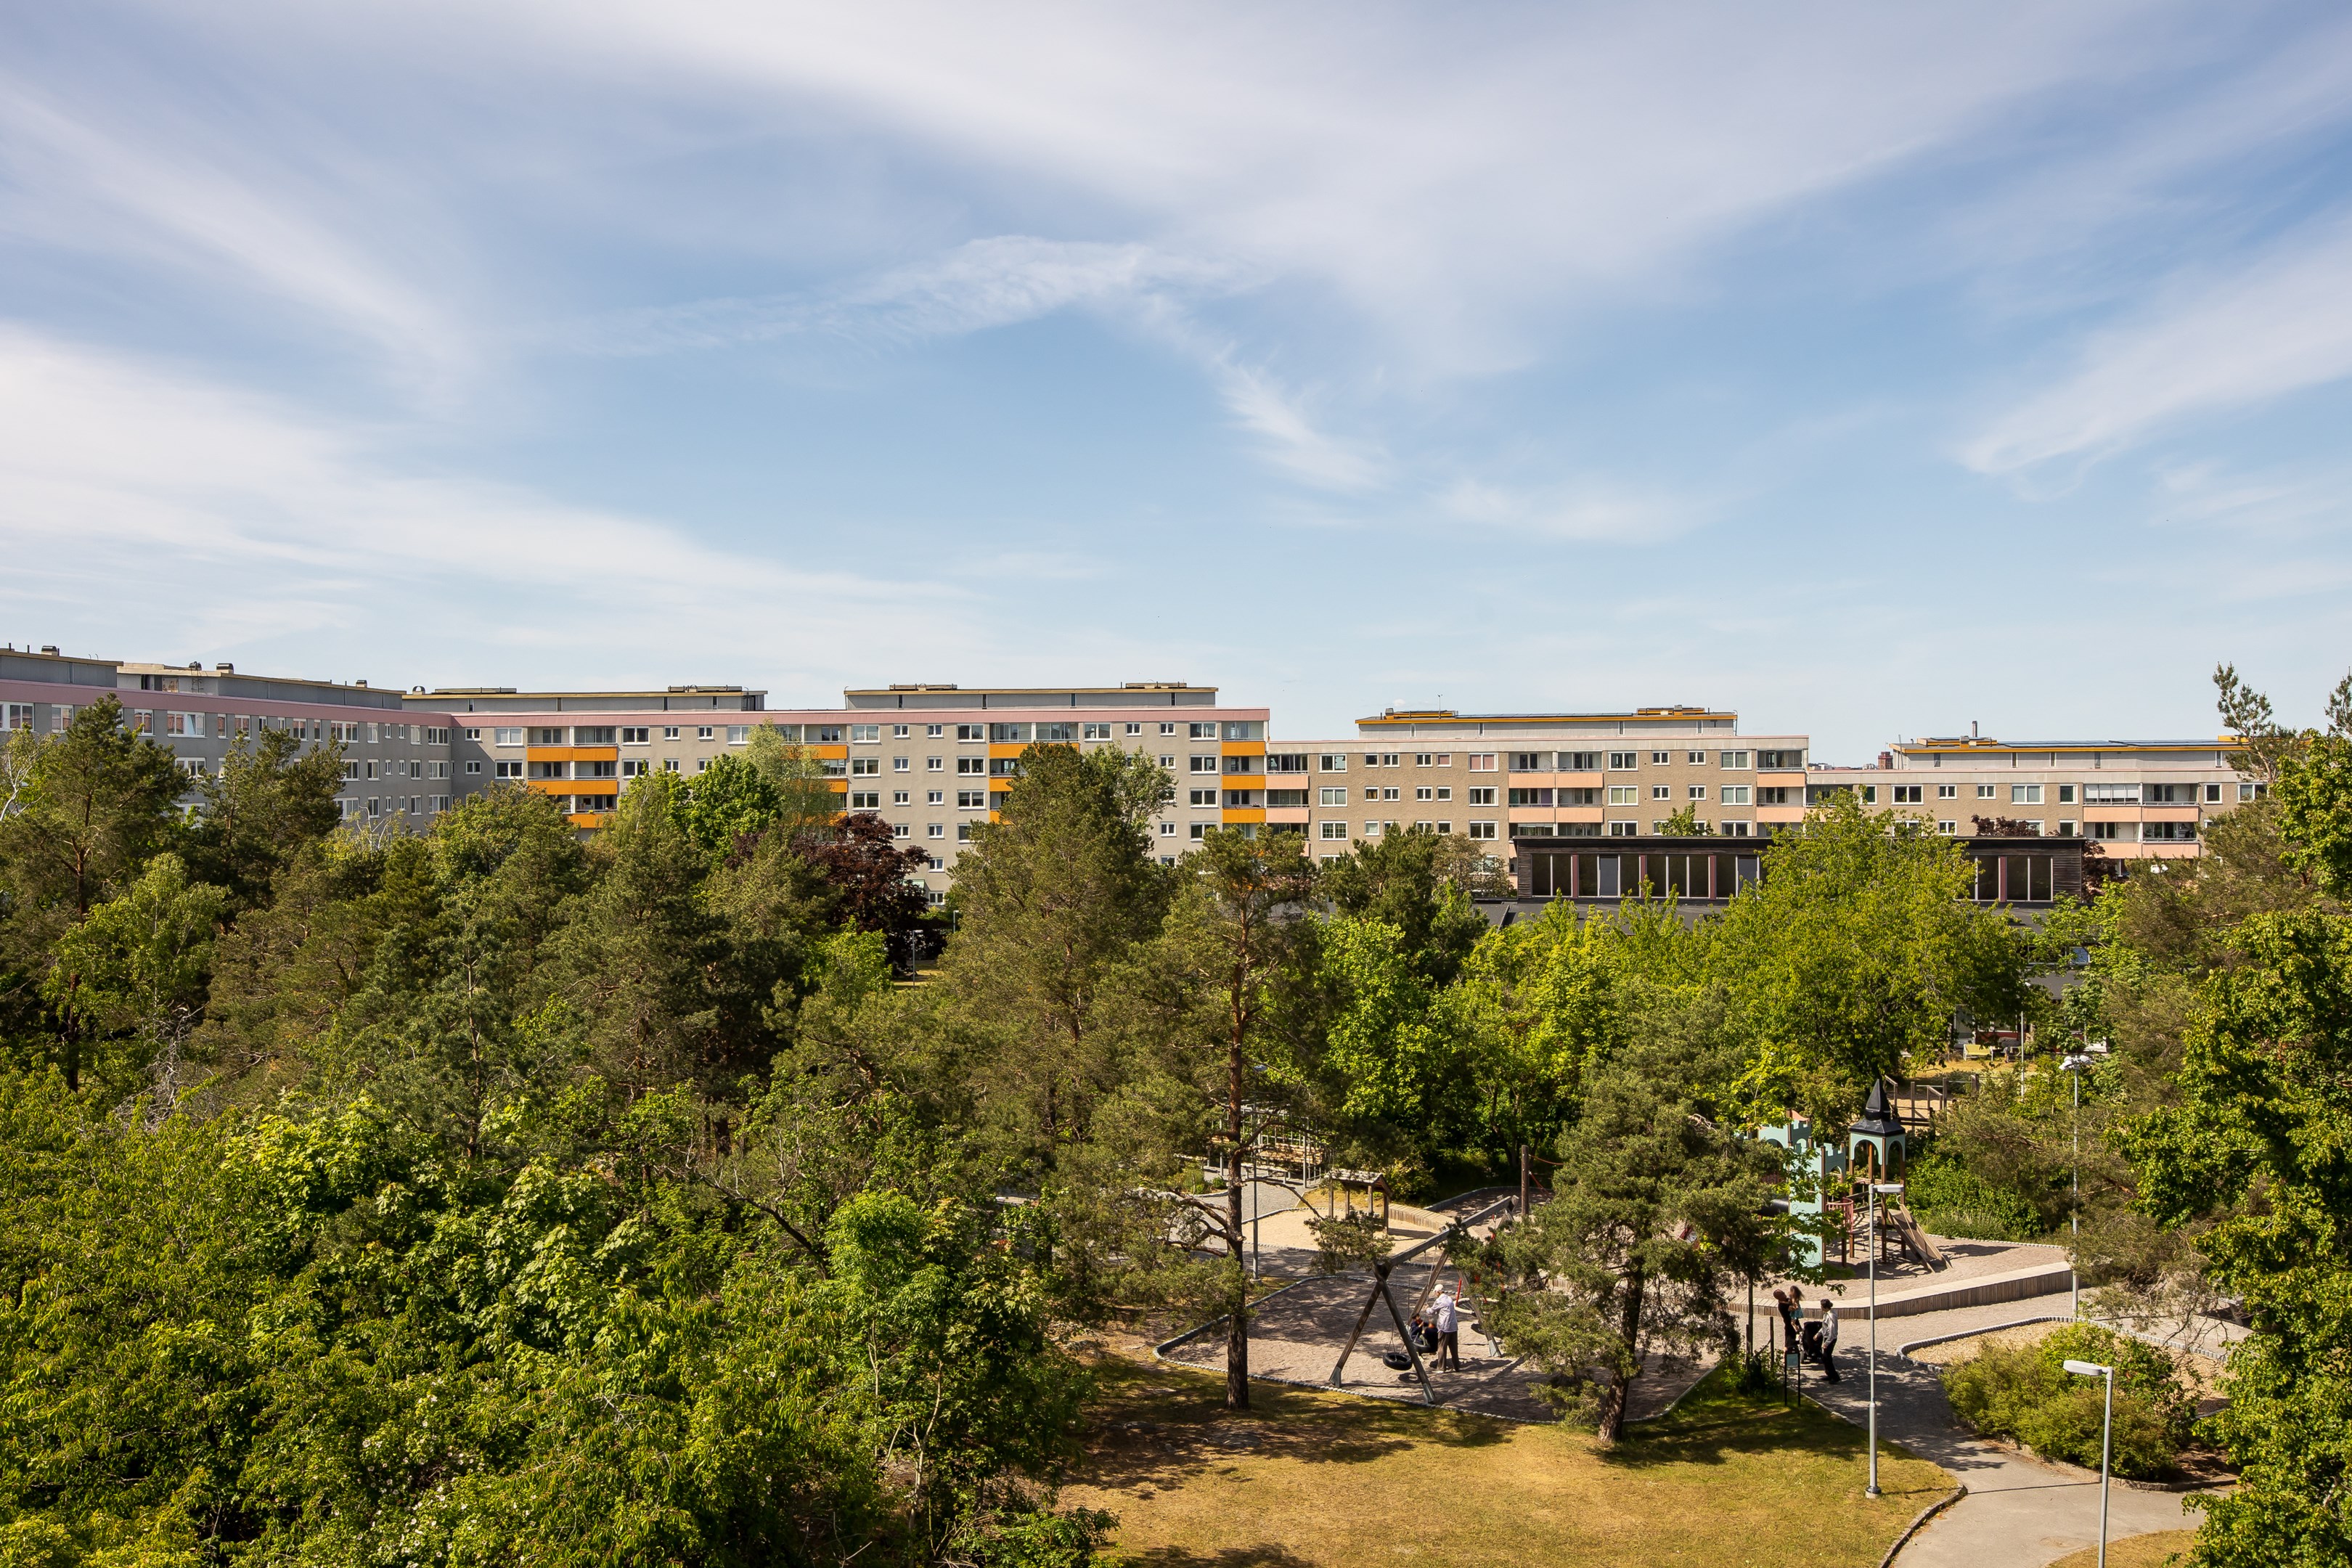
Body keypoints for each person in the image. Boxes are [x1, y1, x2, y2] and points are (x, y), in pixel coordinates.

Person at [1433, 1287, 1461, 1371]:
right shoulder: (1449, 1298)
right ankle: (1457, 1367)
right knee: (1454, 1348)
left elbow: (1431, 1311)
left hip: (1444, 1327)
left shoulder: (1439, 1301)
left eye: (1435, 1292)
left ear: (1438, 1292)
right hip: (1453, 1326)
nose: (1435, 1294)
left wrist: (1426, 1308)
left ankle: (1441, 1368)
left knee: (1442, 1347)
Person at [1814, 1299, 1842, 1383]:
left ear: (1825, 1307)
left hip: (1831, 1339)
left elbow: (1832, 1331)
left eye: (1822, 1306)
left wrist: (1827, 1343)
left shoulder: (1831, 1316)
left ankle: (1834, 1377)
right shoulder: (1827, 1314)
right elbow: (1825, 1327)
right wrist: (1818, 1334)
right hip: (1827, 1337)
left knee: (1827, 1358)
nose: (1821, 1308)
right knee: (1825, 1358)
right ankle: (1829, 1374)